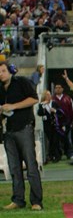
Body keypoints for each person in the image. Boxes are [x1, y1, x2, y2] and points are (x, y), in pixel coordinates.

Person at [0, 60, 43, 210]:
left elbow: (34, 98)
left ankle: (36, 201)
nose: (1, 74)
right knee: (14, 167)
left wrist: (13, 106)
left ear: (11, 71)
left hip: (24, 128)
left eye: (3, 71)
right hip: (8, 131)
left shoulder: (21, 82)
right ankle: (18, 199)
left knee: (31, 165)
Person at [37, 89, 63, 162]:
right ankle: (53, 155)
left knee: (55, 140)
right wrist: (43, 106)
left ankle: (56, 156)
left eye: (49, 94)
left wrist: (55, 111)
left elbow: (61, 113)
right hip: (47, 126)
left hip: (55, 125)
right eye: (47, 95)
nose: (49, 96)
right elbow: (39, 113)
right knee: (51, 140)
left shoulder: (54, 103)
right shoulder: (42, 104)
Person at [52, 82, 73, 158]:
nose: (58, 89)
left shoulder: (68, 98)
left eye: (59, 87)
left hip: (66, 122)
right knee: (57, 140)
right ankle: (58, 155)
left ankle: (70, 153)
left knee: (68, 139)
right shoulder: (52, 99)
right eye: (56, 88)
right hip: (56, 123)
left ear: (62, 89)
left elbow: (72, 110)